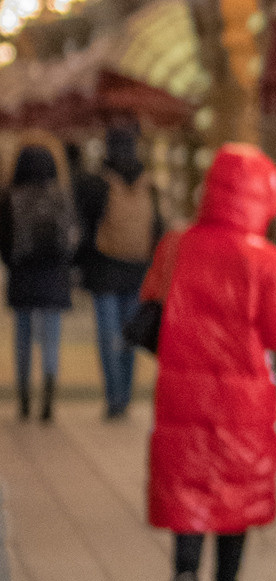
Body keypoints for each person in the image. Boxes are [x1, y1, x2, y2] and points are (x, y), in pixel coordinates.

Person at [141, 143, 276, 581]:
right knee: (237, 494)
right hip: (243, 398)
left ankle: (184, 575)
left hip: (182, 392)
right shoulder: (265, 259)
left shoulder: (176, 246)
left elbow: (150, 305)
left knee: (188, 487)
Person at [74, 119, 160, 420]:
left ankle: (113, 396)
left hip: (104, 272)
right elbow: (157, 229)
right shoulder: (148, 182)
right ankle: (125, 394)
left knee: (108, 335)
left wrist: (79, 268)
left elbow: (84, 232)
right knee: (129, 335)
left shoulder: (97, 183)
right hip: (137, 270)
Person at [0, 145, 78, 421]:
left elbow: (5, 242)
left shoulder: (10, 196)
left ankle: (23, 397)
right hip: (54, 276)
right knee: (51, 338)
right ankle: (48, 395)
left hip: (22, 275)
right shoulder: (62, 196)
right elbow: (71, 240)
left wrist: (14, 264)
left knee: (22, 337)